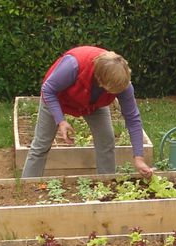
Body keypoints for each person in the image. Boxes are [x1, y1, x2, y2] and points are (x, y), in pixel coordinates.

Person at [22, 46, 153, 179]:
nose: (117, 93)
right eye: (113, 91)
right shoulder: (73, 66)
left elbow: (133, 119)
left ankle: (106, 185)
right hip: (56, 98)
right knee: (41, 145)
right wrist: (60, 120)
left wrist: (139, 158)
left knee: (106, 141)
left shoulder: (123, 85)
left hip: (93, 105)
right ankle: (27, 188)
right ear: (100, 81)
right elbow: (48, 89)